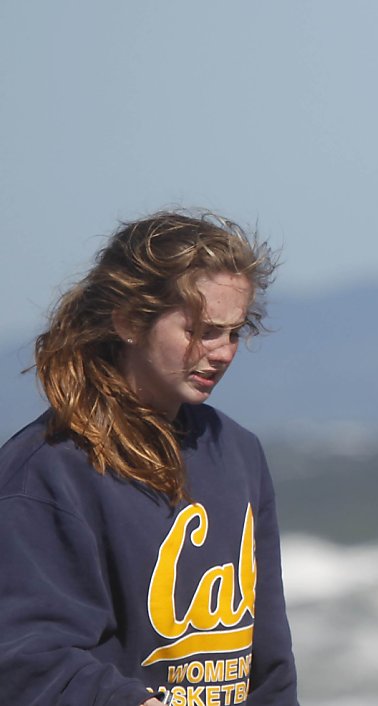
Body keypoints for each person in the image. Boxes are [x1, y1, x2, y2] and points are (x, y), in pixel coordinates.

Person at [0, 212, 299, 705]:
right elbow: (25, 656)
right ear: (129, 321)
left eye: (233, 333)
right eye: (202, 330)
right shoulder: (48, 470)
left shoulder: (237, 450)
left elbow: (268, 660)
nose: (222, 352)